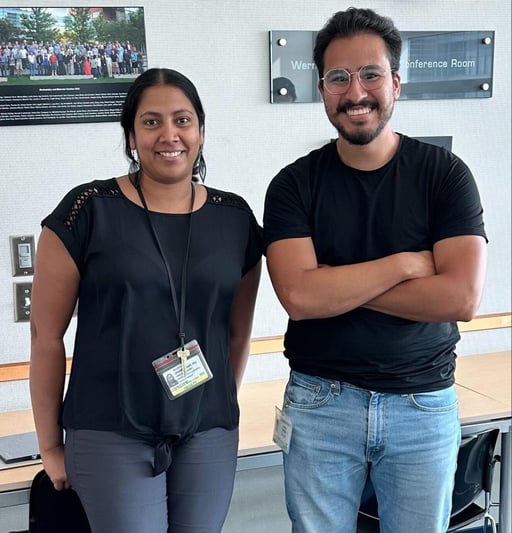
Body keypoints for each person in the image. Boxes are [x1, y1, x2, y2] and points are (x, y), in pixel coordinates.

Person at [263, 7, 487, 533]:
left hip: (423, 406)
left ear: (396, 84)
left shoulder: (445, 176)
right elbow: (298, 297)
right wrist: (405, 265)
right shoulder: (294, 185)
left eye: (370, 75)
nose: (355, 91)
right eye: (338, 78)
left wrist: (335, 282)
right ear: (321, 89)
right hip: (321, 405)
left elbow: (461, 299)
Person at [30, 67, 262, 533]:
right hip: (110, 428)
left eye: (183, 120)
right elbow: (46, 336)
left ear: (200, 131)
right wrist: (50, 445)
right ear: (131, 136)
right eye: (151, 122)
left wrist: (217, 404)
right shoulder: (88, 209)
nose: (169, 135)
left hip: (207, 430)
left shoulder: (234, 218)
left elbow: (236, 331)